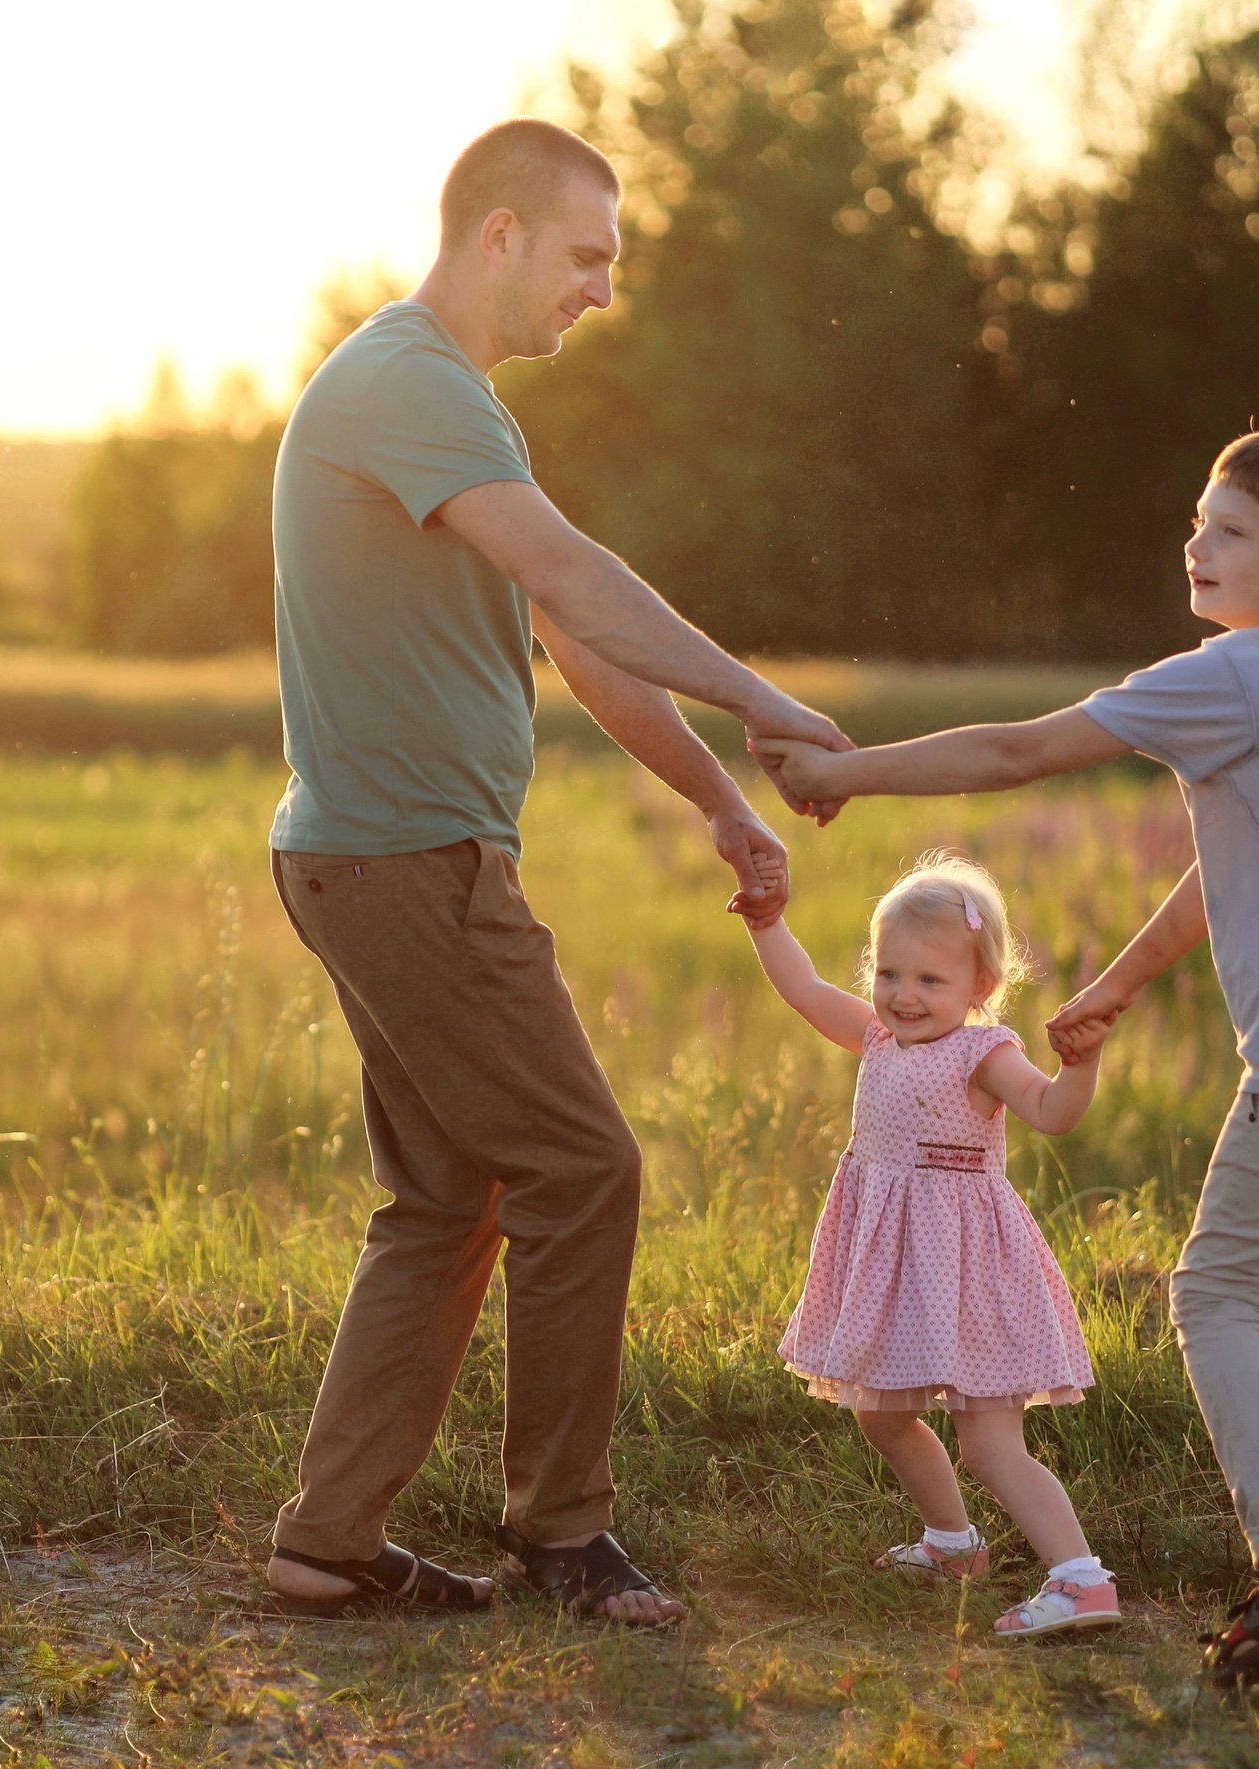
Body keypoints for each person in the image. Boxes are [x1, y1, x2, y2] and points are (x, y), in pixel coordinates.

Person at [752, 424, 1259, 1683]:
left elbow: (1019, 748)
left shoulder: (1231, 674)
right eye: (1199, 518)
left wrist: (842, 769)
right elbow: (1228, 862)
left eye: (1230, 529)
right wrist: (1119, 983)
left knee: (1214, 1296)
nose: (1197, 543)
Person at [262, 117, 852, 1627]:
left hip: (376, 853)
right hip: (409, 862)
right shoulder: (405, 378)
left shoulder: (450, 405)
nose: (605, 287)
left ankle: (329, 1544)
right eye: (589, 254)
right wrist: (769, 702)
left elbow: (568, 634)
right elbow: (581, 576)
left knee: (448, 1196)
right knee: (585, 1169)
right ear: (502, 233)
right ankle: (565, 1532)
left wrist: (720, 793)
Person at [734, 848, 1121, 1637]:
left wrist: (1081, 1064)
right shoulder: (878, 1037)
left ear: (980, 985)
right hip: (897, 1269)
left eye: (930, 980)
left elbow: (1052, 1112)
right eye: (890, 973)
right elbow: (805, 990)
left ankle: (1082, 1579)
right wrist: (768, 923)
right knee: (879, 1414)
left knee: (989, 1441)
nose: (903, 996)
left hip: (971, 1270)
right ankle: (953, 1544)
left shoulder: (986, 1053)